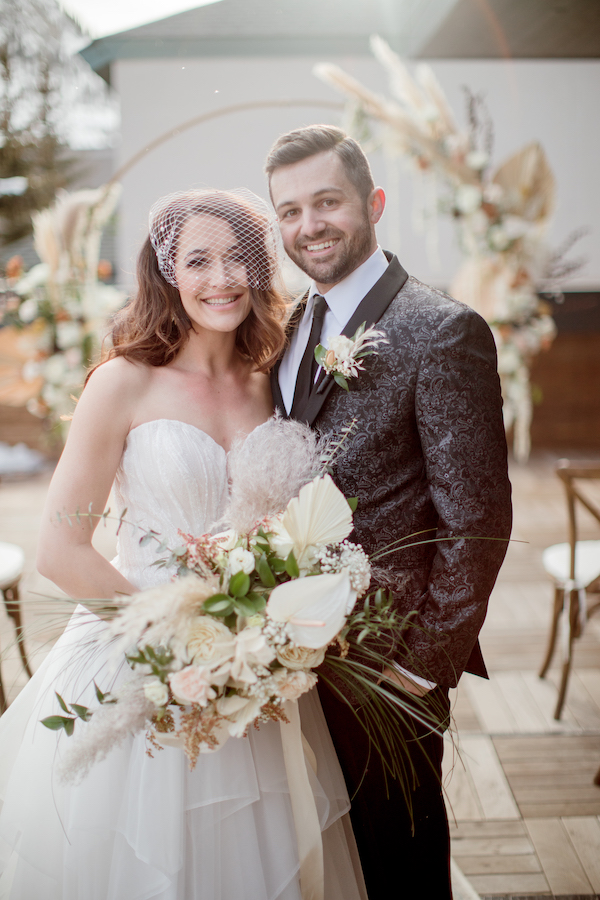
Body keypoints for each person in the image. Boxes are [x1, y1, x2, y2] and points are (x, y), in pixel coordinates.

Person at [0, 189, 368, 900]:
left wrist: (263, 629)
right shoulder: (122, 384)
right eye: (198, 260)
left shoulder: (276, 380)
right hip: (143, 653)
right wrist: (181, 638)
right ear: (166, 272)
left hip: (260, 665)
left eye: (238, 259)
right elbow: (61, 550)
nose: (221, 278)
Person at [266, 125, 513, 899]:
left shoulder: (442, 330)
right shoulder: (293, 323)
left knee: (400, 860)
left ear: (372, 202)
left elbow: (476, 520)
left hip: (389, 661)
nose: (309, 226)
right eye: (290, 210)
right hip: (299, 650)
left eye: (327, 202)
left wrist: (418, 667)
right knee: (336, 850)